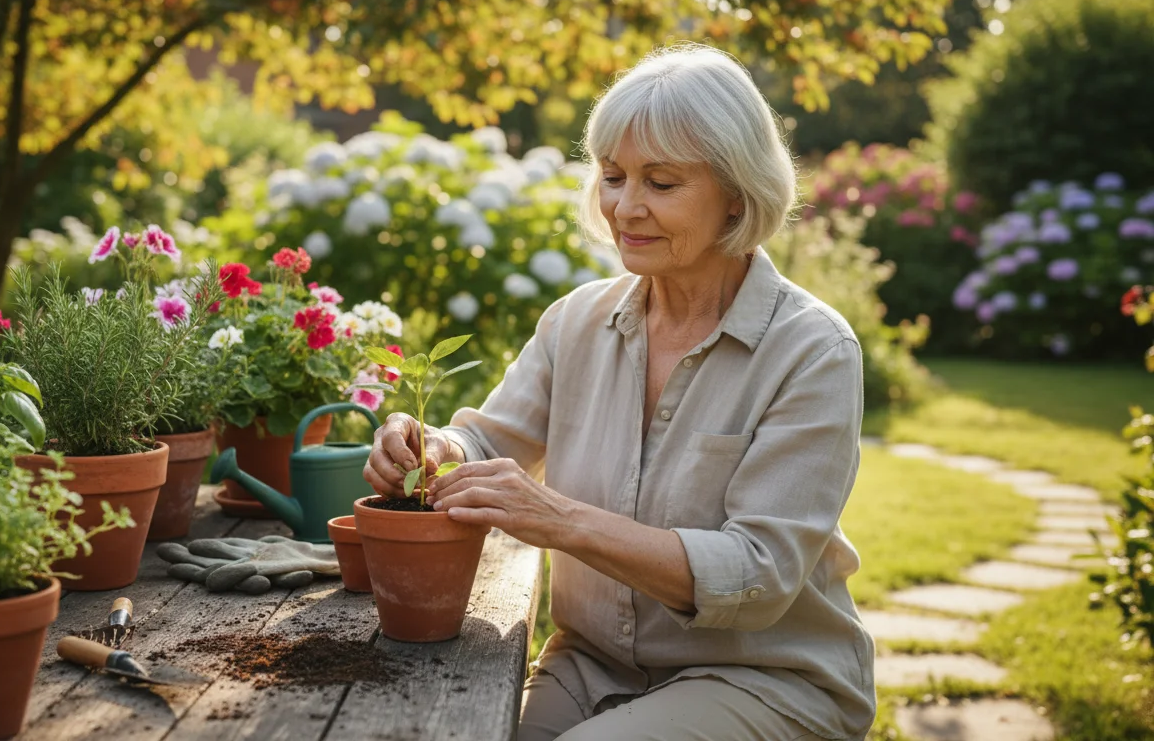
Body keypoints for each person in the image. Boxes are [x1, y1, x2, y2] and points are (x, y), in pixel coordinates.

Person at [363, 44, 875, 741]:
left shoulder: (813, 351)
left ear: (736, 192)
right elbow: (487, 439)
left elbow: (759, 574)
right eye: (612, 177)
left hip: (765, 677)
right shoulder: (576, 321)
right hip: (592, 666)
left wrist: (559, 519)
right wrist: (429, 445)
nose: (625, 208)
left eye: (661, 183)